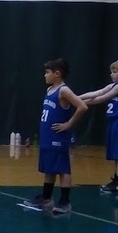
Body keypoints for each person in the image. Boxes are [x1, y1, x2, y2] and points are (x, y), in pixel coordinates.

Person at [23, 58, 88, 215]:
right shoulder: (50, 90)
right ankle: (46, 198)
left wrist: (68, 124)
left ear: (57, 73)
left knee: (62, 168)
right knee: (49, 168)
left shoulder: (64, 90)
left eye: (47, 72)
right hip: (47, 135)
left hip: (59, 136)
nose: (44, 76)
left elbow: (82, 106)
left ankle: (65, 202)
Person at [80, 60, 118, 194]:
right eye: (111, 72)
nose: (112, 74)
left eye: (115, 72)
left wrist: (76, 102)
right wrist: (75, 97)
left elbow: (101, 99)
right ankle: (116, 180)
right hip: (114, 122)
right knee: (116, 153)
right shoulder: (113, 85)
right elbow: (96, 93)